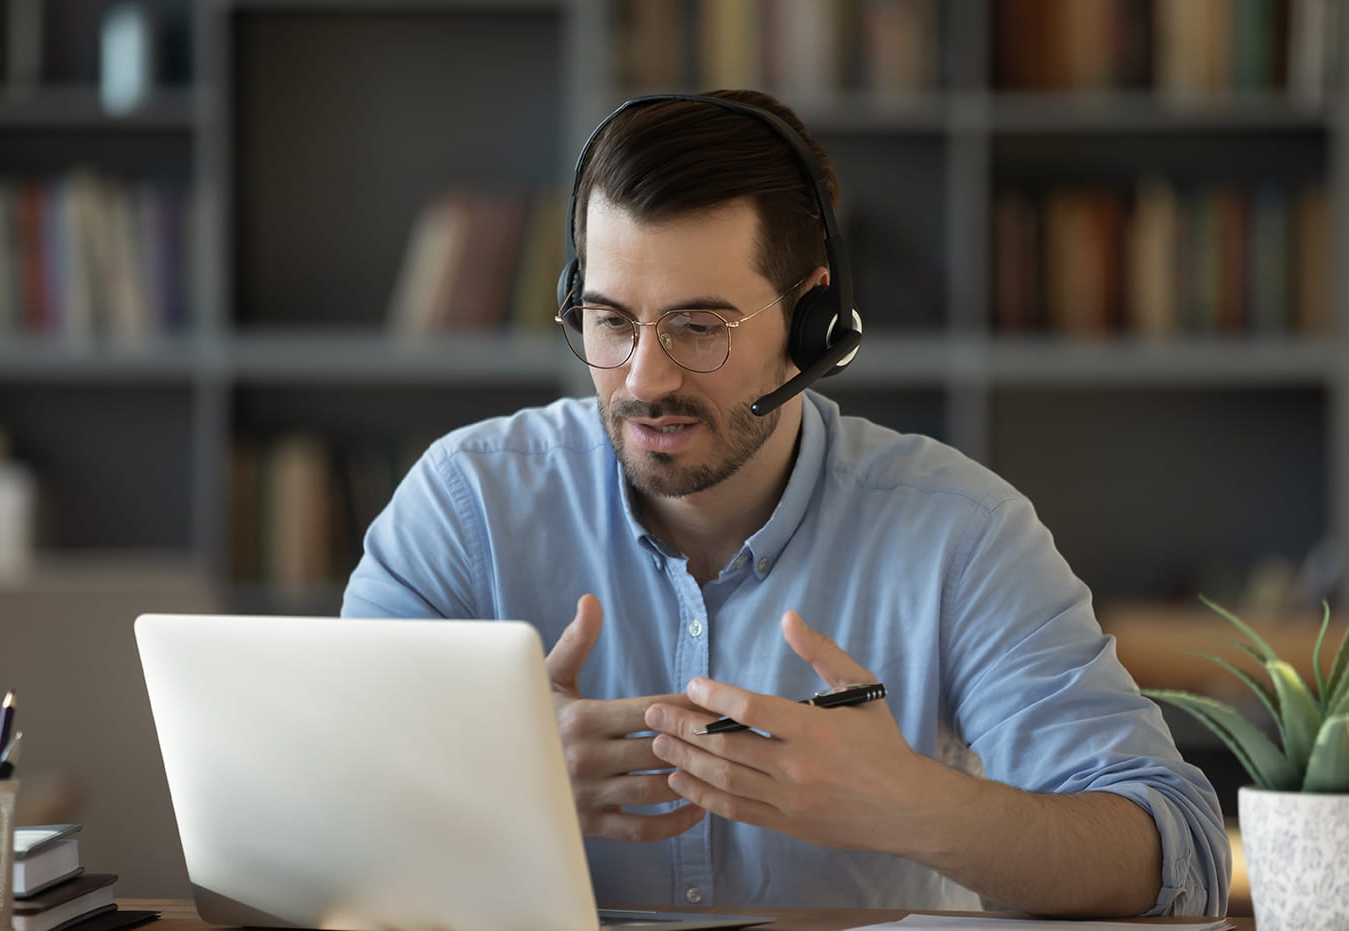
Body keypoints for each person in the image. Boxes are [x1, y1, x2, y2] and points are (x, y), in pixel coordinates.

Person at [342, 89, 1230, 917]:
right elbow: (313, 798)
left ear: (816, 323)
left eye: (699, 326)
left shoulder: (959, 533)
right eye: (610, 321)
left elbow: (1179, 852)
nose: (643, 380)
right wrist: (494, 780)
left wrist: (915, 807)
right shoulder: (465, 504)